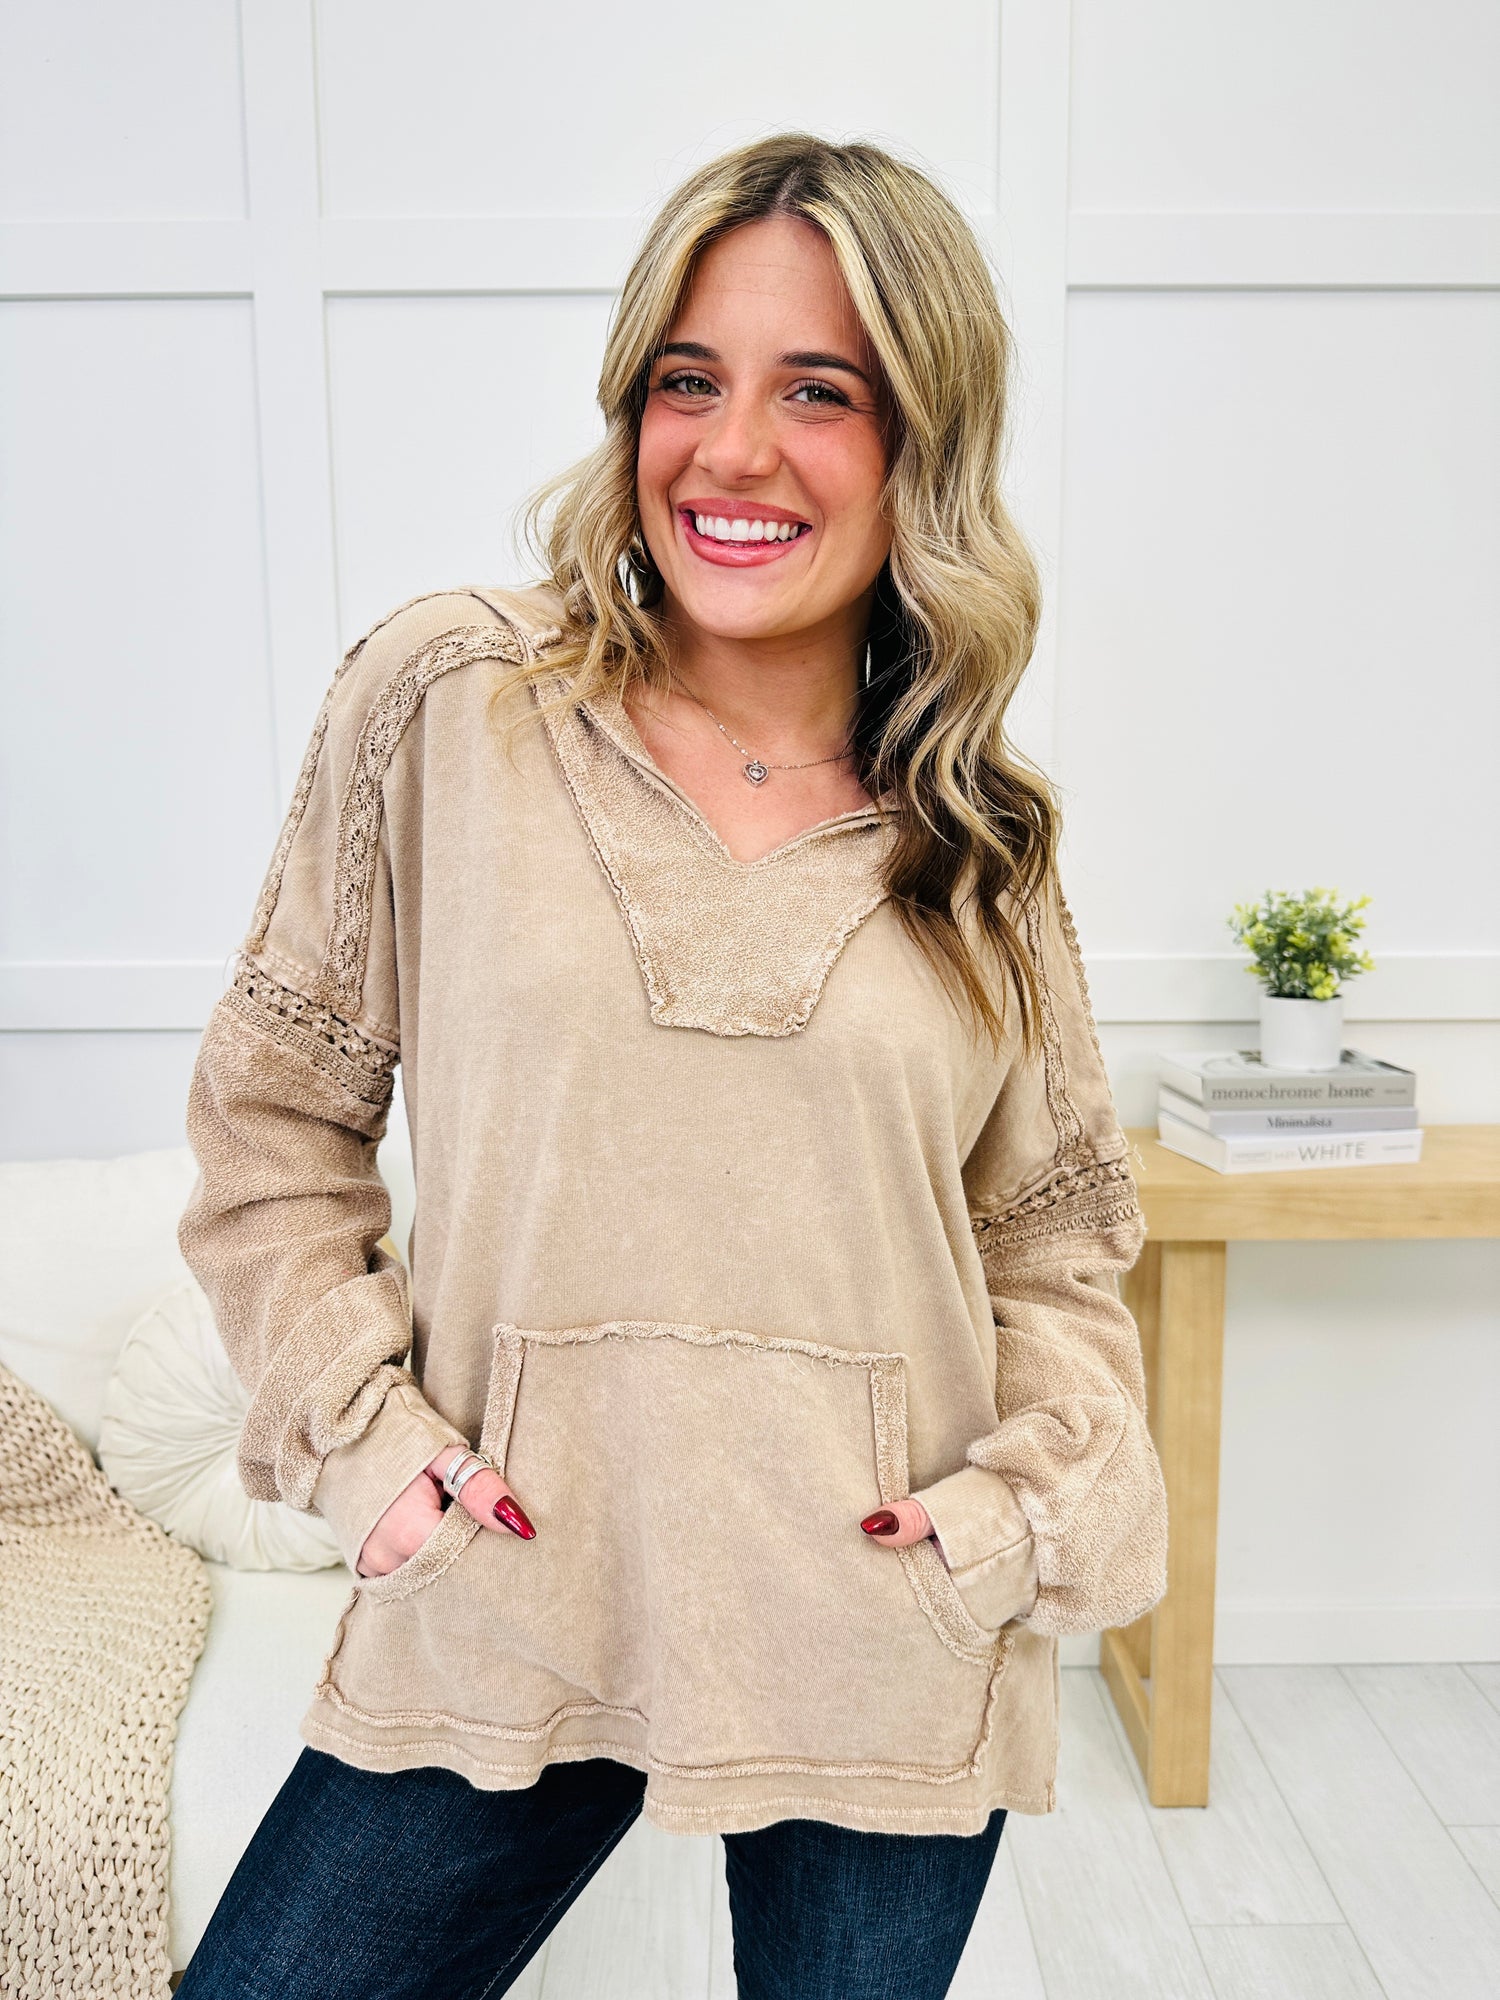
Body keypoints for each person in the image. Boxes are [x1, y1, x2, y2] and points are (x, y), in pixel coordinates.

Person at [173, 131, 1168, 2000]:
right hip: (501, 1589)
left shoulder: (980, 840)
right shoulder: (452, 702)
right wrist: (369, 1447)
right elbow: (272, 1122)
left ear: (925, 445)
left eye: (821, 392)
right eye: (688, 381)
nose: (733, 452)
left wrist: (1003, 1524)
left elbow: (1053, 1249)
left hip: (883, 1627)